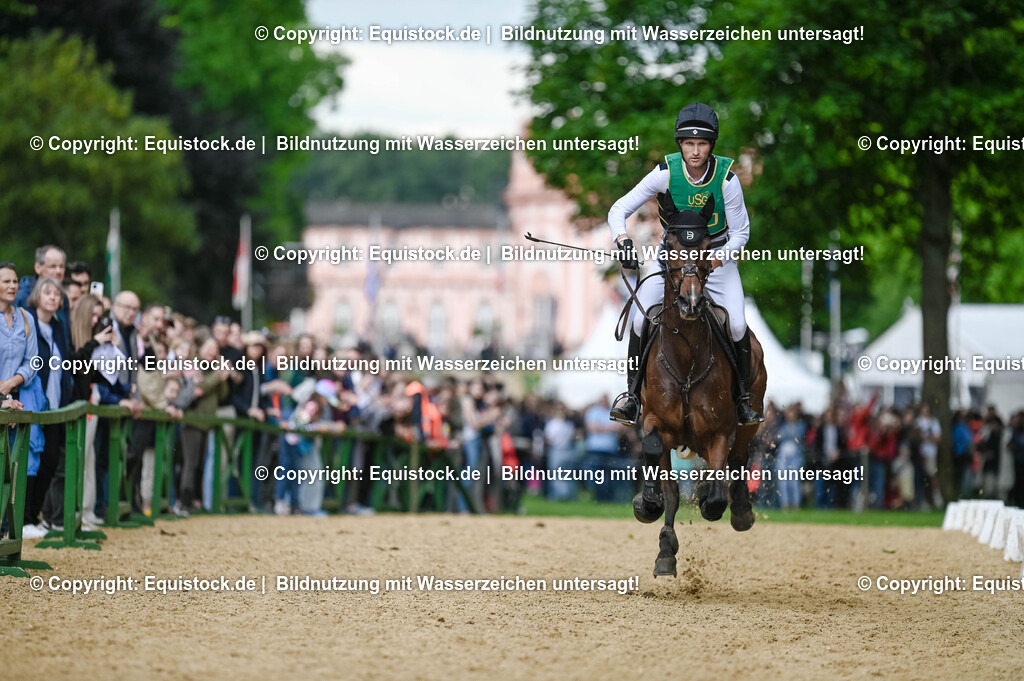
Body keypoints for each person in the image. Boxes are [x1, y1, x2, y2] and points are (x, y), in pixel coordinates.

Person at [607, 103, 762, 427]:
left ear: (711, 146)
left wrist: (719, 257)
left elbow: (741, 233)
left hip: (714, 261)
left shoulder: (727, 180)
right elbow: (619, 209)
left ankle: (743, 400)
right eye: (689, 144)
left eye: (702, 144)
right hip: (672, 260)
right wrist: (622, 240)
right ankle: (632, 397)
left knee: (735, 324)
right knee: (639, 320)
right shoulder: (665, 173)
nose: (695, 151)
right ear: (680, 144)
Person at [25, 277, 74, 533]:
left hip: (56, 403)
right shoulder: (27, 322)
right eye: (48, 293)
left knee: (51, 461)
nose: (54, 297)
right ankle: (23, 520)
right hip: (33, 402)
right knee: (30, 461)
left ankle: (35, 516)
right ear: (37, 296)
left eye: (57, 294)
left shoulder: (58, 326)